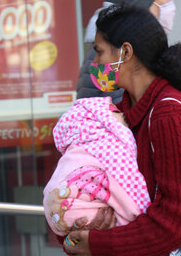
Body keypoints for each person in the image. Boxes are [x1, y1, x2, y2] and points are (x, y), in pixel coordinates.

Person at [63, 4, 181, 256]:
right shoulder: (115, 115)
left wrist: (101, 245)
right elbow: (79, 186)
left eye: (99, 52)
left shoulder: (169, 115)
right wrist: (78, 233)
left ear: (125, 52)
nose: (94, 63)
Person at [43, 96, 152, 239]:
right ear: (108, 122)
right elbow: (129, 187)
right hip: (85, 215)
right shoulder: (109, 149)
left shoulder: (75, 145)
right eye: (122, 117)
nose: (126, 120)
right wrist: (140, 215)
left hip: (58, 212)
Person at [77, 0, 175, 104]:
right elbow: (121, 117)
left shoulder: (120, 45)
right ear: (143, 2)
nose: (169, 1)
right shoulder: (114, 52)